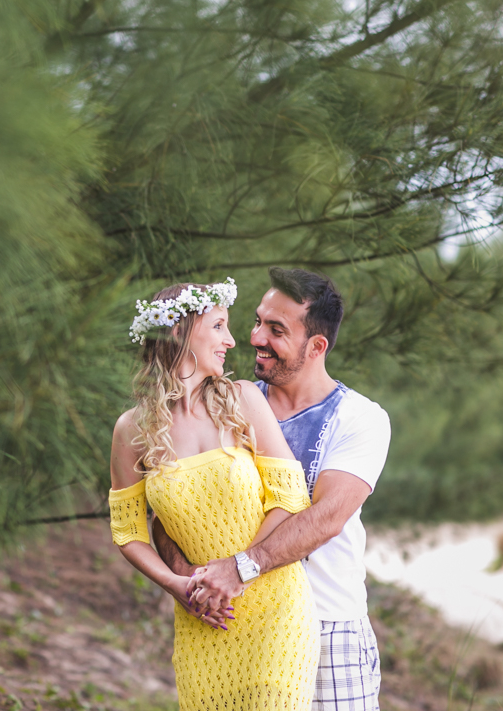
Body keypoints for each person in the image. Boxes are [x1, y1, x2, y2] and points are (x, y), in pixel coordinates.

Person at [157, 268, 391, 711]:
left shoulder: (360, 418)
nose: (254, 337)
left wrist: (238, 569)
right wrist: (189, 580)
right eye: (258, 321)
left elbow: (326, 518)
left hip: (329, 625)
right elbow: (167, 507)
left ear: (316, 347)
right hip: (239, 625)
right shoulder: (225, 403)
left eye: (276, 330)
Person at [109, 279, 319, 710]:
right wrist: (177, 585)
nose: (232, 340)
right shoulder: (132, 429)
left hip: (276, 610)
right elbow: (129, 532)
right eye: (219, 326)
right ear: (179, 332)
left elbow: (290, 496)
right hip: (203, 615)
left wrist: (236, 570)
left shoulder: (244, 400)